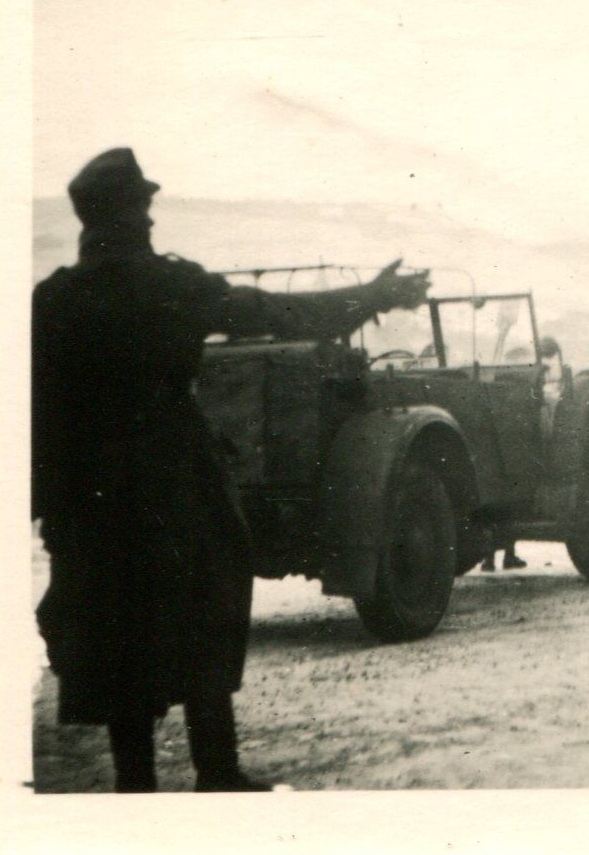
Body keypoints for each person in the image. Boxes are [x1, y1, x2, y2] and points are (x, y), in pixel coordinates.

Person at [31, 147, 429, 793]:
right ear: (127, 216)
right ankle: (217, 771)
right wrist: (375, 295)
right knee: (206, 609)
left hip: (94, 498)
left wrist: (53, 513)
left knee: (120, 633)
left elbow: (38, 416)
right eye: (144, 209)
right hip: (176, 481)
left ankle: (135, 786)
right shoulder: (171, 286)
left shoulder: (52, 301)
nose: (150, 221)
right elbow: (279, 313)